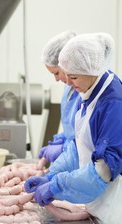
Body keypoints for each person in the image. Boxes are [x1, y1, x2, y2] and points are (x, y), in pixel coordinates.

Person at [25, 32, 122, 224]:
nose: (67, 82)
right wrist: (52, 174)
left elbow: (102, 172)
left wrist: (57, 185)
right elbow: (80, 148)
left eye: (72, 77)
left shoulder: (115, 104)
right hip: (104, 202)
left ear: (91, 71)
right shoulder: (90, 94)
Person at [38, 30, 80, 163]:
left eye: (56, 73)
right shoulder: (70, 87)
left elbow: (92, 142)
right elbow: (73, 130)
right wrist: (61, 140)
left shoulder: (92, 93)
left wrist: (64, 148)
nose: (56, 79)